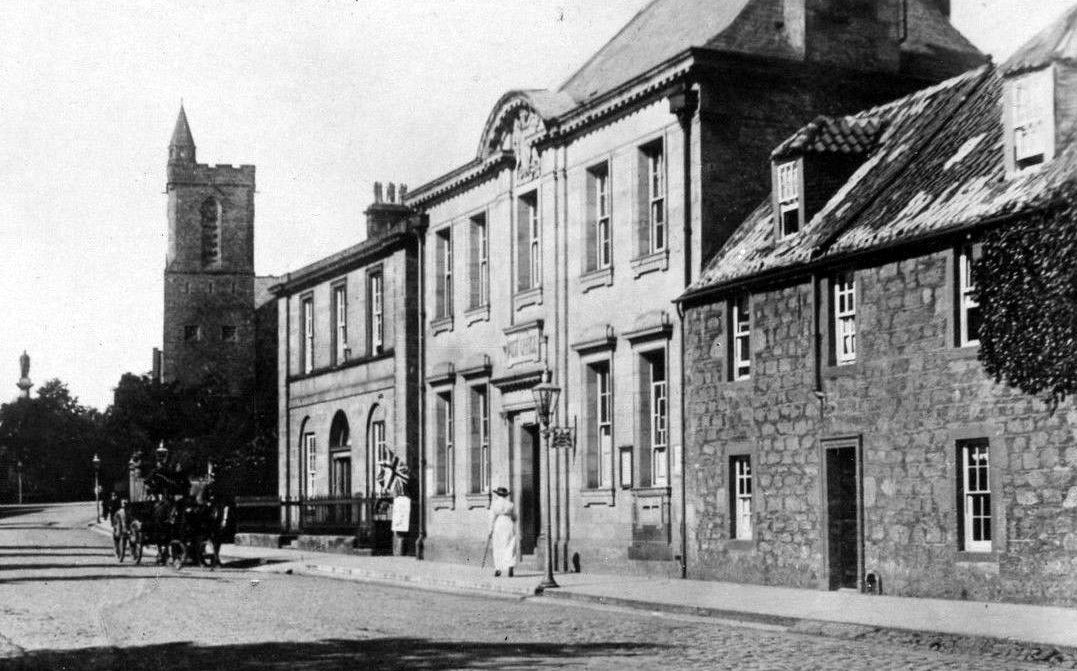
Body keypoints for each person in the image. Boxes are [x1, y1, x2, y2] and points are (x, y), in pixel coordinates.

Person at [487, 486, 517, 578]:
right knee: (510, 545)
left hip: (499, 523)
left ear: (498, 494)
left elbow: (492, 518)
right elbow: (514, 517)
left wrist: (490, 530)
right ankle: (510, 566)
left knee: (498, 546)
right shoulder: (510, 504)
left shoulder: (495, 504)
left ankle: (498, 569)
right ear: (505, 495)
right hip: (508, 523)